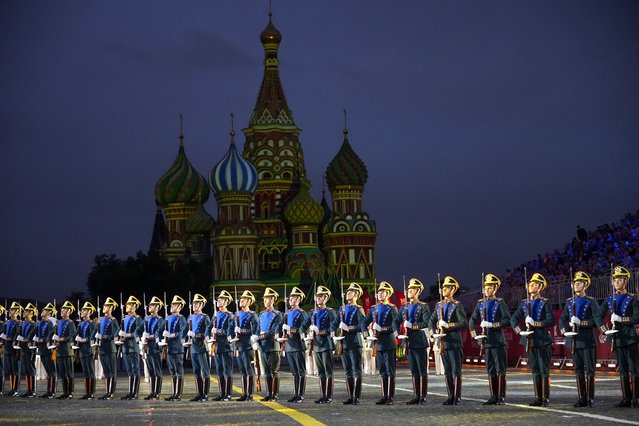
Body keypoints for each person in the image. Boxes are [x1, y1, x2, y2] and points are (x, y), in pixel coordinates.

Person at [559, 271, 604, 407]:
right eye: (575, 283)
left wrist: (581, 323)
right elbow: (562, 319)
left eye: (579, 283)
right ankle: (581, 397)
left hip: (587, 340)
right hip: (574, 340)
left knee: (590, 370)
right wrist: (564, 331)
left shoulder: (591, 301)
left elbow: (596, 320)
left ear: (585, 285)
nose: (576, 285)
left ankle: (590, 398)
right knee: (578, 369)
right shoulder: (569, 302)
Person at [510, 272, 555, 407]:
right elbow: (513, 319)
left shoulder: (545, 303)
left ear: (540, 287)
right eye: (530, 283)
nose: (531, 286)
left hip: (542, 340)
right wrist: (520, 332)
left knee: (543, 370)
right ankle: (537, 397)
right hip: (529, 341)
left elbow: (551, 320)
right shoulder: (524, 303)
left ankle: (545, 398)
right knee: (534, 369)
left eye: (534, 284)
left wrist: (535, 323)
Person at [469, 273, 511, 405]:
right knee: (491, 369)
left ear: (495, 289)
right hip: (487, 341)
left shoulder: (500, 302)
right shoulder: (480, 304)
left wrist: (493, 325)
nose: (487, 290)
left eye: (490, 288)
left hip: (497, 340)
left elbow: (507, 320)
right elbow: (472, 320)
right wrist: (474, 333)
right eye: (485, 288)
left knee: (500, 369)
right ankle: (493, 396)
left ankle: (501, 396)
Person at [600, 266, 639, 408]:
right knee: (622, 368)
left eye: (620, 279)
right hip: (617, 338)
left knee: (634, 368)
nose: (617, 281)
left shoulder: (633, 298)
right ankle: (626, 398)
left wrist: (621, 319)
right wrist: (604, 330)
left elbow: (637, 317)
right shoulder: (610, 299)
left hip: (629, 337)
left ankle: (636, 397)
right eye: (615, 279)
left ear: (626, 281)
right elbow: (598, 315)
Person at [428, 276, 467, 405]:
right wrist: (433, 332)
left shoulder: (457, 305)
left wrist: (448, 325)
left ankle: (457, 396)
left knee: (456, 370)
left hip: (454, 342)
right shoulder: (439, 305)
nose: (444, 289)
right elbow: (431, 321)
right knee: (448, 371)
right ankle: (450, 396)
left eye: (447, 287)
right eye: (443, 287)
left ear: (453, 290)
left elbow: (463, 323)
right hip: (443, 343)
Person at [364, 281, 399, 405]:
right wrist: (366, 335)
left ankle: (390, 397)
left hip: (388, 342)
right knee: (382, 371)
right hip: (377, 344)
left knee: (390, 371)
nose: (379, 294)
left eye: (382, 292)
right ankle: (384, 396)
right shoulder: (374, 308)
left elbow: (395, 325)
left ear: (388, 294)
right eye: (378, 292)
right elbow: (364, 322)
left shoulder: (392, 308)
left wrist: (382, 329)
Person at [397, 278, 431, 405]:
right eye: (408, 289)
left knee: (422, 370)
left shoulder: (423, 306)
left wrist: (412, 326)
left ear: (417, 291)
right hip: (409, 342)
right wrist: (398, 334)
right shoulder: (403, 307)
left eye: (411, 290)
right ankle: (416, 395)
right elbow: (396, 321)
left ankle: (423, 396)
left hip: (419, 341)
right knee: (414, 370)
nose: (409, 292)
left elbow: (426, 322)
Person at [306, 285, 339, 404]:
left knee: (328, 371)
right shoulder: (312, 312)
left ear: (326, 298)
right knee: (320, 371)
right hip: (316, 345)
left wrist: (319, 331)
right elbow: (305, 324)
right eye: (317, 296)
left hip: (326, 344)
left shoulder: (330, 312)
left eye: (321, 296)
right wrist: (305, 332)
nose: (319, 298)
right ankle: (323, 395)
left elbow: (333, 326)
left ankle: (328, 395)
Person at [337, 282, 367, 405]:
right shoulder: (341, 308)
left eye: (350, 292)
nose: (348, 293)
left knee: (356, 370)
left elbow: (362, 325)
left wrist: (349, 328)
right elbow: (336, 323)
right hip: (344, 343)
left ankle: (356, 397)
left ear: (356, 295)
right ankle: (350, 396)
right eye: (347, 292)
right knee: (347, 371)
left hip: (355, 342)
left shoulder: (358, 309)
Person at [279, 286, 309, 403]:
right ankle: (296, 394)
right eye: (291, 298)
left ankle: (300, 395)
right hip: (289, 345)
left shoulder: (301, 313)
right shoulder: (287, 313)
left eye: (294, 298)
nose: (291, 300)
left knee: (300, 371)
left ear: (299, 300)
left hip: (298, 344)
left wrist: (291, 330)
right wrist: (278, 333)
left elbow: (304, 329)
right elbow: (280, 326)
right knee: (294, 372)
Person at [257, 287, 283, 401]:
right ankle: (268, 393)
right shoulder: (261, 314)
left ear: (273, 299)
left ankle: (275, 394)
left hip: (273, 345)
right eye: (264, 298)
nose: (265, 300)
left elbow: (273, 330)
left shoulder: (278, 314)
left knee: (274, 371)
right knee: (266, 371)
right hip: (263, 346)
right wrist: (256, 340)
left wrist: (260, 336)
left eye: (267, 298)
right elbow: (258, 328)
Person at [234, 290, 259, 401]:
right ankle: (244, 393)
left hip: (248, 345)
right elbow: (231, 328)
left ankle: (250, 394)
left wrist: (242, 330)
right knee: (242, 371)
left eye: (244, 299)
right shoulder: (236, 314)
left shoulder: (252, 315)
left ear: (249, 301)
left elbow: (256, 330)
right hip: (239, 345)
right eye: (241, 299)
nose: (241, 300)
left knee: (249, 370)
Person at [186, 293, 212, 401]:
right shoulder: (190, 317)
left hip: (202, 346)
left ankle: (205, 394)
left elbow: (207, 332)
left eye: (197, 304)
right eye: (194, 303)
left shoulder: (205, 317)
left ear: (202, 305)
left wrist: (196, 335)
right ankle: (199, 393)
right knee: (196, 371)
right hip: (193, 347)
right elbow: (187, 330)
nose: (195, 305)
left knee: (205, 371)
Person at [118, 295, 144, 400]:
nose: (126, 306)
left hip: (133, 346)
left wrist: (126, 335)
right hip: (125, 347)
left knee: (135, 369)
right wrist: (119, 335)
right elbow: (120, 331)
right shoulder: (125, 318)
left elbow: (137, 332)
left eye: (129, 304)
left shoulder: (137, 319)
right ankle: (130, 392)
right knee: (129, 370)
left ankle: (135, 393)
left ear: (134, 306)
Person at [162, 295, 188, 401]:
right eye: (171, 304)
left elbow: (182, 332)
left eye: (174, 305)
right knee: (172, 371)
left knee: (178, 370)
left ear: (179, 307)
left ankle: (178, 394)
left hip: (177, 348)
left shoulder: (181, 318)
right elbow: (160, 330)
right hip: (169, 348)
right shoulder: (167, 318)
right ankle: (174, 393)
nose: (172, 306)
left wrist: (171, 335)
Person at [211, 290, 235, 401]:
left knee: (227, 371)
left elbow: (229, 331)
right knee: (219, 371)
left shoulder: (229, 315)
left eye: (220, 300)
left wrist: (218, 331)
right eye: (218, 299)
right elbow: (210, 328)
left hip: (226, 347)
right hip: (217, 347)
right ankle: (222, 393)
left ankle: (228, 393)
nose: (218, 301)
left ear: (226, 302)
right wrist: (209, 334)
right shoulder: (215, 315)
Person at [97, 297, 120, 400]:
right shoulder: (100, 320)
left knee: (111, 371)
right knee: (106, 371)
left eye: (106, 306)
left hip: (110, 347)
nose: (104, 307)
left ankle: (111, 392)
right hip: (102, 348)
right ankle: (107, 391)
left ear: (110, 308)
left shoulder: (113, 320)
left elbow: (116, 332)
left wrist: (106, 337)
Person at [142, 296, 165, 400]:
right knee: (151, 370)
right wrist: (140, 337)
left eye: (152, 305)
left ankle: (157, 392)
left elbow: (159, 331)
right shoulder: (146, 319)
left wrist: (152, 337)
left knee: (157, 370)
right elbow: (139, 329)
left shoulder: (160, 319)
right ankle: (152, 392)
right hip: (148, 347)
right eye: (149, 305)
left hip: (156, 347)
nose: (149, 307)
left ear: (157, 307)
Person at [54, 300, 77, 399]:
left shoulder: (70, 323)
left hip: (67, 350)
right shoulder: (58, 322)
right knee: (62, 373)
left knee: (69, 372)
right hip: (59, 350)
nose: (62, 310)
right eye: (62, 309)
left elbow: (72, 335)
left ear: (69, 311)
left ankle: (70, 392)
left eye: (64, 309)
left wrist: (62, 339)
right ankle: (65, 392)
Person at [75, 301, 98, 400]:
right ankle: (87, 392)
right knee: (85, 372)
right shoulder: (80, 324)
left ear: (89, 312)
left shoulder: (91, 323)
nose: (82, 312)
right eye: (82, 310)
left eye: (84, 310)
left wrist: (84, 339)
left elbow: (92, 336)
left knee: (90, 372)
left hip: (88, 350)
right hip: (82, 351)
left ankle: (91, 392)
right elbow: (77, 335)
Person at [35, 303, 57, 398]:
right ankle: (48, 391)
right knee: (48, 371)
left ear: (49, 313)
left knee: (51, 371)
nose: (42, 312)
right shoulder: (40, 323)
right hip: (41, 349)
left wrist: (43, 340)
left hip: (48, 350)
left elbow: (50, 335)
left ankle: (51, 392)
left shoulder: (50, 323)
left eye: (45, 311)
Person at [1, 302, 22, 396]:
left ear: (17, 312)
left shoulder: (18, 323)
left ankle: (15, 389)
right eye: (10, 310)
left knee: (15, 369)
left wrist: (7, 338)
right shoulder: (7, 322)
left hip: (14, 348)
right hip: (7, 348)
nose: (10, 311)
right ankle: (11, 389)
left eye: (12, 310)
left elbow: (17, 335)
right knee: (10, 370)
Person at [17, 303, 38, 397]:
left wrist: (24, 339)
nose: (24, 313)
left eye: (26, 311)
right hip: (23, 348)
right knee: (26, 370)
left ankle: (32, 390)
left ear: (31, 313)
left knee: (31, 369)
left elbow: (32, 336)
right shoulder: (23, 324)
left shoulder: (33, 324)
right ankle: (28, 389)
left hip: (30, 349)